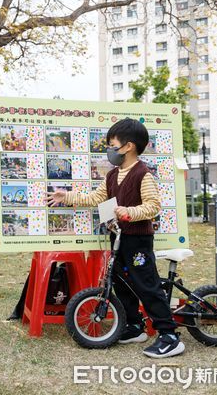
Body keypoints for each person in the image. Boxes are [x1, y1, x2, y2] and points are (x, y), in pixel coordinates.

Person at [46, 118, 184, 359]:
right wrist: (66, 196)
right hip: (118, 239)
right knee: (122, 283)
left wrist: (130, 212)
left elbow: (153, 206)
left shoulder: (143, 174)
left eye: (112, 144)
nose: (109, 149)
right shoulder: (112, 176)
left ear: (128, 146)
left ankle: (169, 336)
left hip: (138, 241)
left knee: (147, 285)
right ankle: (134, 327)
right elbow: (94, 198)